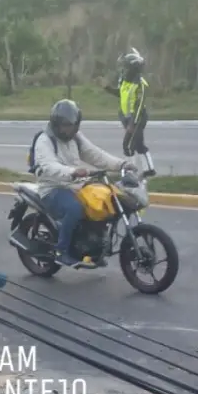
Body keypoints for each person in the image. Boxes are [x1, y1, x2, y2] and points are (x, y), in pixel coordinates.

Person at [30, 99, 133, 268]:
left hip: (76, 185)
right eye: (64, 125)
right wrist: (72, 171)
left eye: (71, 125)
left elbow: (95, 155)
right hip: (52, 188)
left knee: (102, 202)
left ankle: (94, 246)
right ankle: (60, 252)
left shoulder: (76, 138)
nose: (68, 129)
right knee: (74, 208)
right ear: (55, 124)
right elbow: (49, 166)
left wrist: (121, 164)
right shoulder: (45, 139)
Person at [113, 48, 155, 177]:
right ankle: (149, 170)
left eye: (126, 67)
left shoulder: (140, 84)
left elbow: (139, 105)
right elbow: (120, 94)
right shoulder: (125, 80)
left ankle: (132, 172)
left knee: (128, 146)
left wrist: (132, 124)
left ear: (133, 68)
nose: (123, 70)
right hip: (127, 117)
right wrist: (106, 87)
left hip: (137, 118)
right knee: (138, 145)